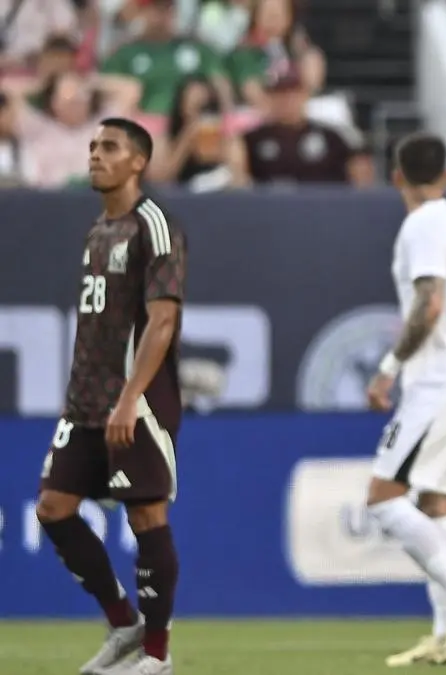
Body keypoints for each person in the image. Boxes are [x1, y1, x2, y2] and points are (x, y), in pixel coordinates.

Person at [36, 117, 186, 675]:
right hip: (84, 403)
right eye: (93, 146)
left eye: (110, 147)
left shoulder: (155, 226)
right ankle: (124, 623)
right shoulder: (98, 231)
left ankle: (157, 656)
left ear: (138, 162)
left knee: (146, 516)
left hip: (135, 402)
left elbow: (163, 319)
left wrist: (130, 398)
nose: (96, 155)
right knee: (53, 509)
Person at [365, 132, 446, 667]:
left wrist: (388, 369)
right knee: (436, 503)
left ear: (397, 176)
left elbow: (430, 301)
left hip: (438, 384)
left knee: (381, 499)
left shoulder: (421, 224)